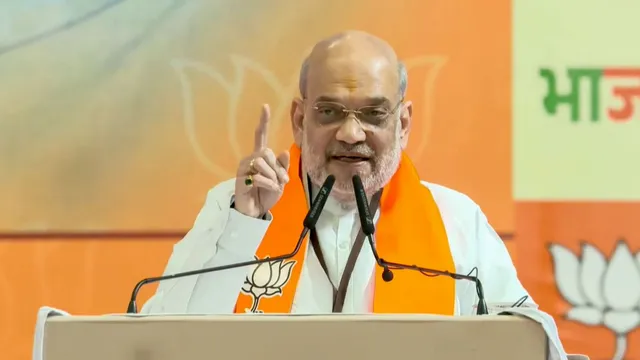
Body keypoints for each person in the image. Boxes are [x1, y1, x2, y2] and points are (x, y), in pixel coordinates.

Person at [141, 30, 570, 358]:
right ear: (298, 118)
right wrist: (243, 227)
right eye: (329, 112)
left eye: (373, 114)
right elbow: (158, 340)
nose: (350, 133)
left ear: (402, 124)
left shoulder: (454, 218)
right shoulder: (235, 204)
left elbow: (530, 339)